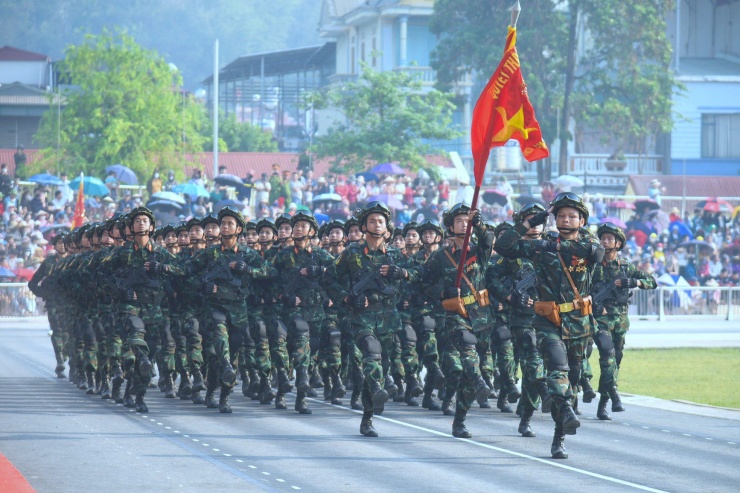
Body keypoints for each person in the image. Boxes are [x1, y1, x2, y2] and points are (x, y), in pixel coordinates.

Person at [496, 192, 605, 459]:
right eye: (560, 216)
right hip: (548, 321)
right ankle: (565, 411)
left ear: (581, 220)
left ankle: (559, 437)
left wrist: (555, 247)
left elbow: (596, 253)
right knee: (557, 368)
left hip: (579, 323)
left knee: (574, 380)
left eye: (572, 216)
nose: (566, 220)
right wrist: (529, 223)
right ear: (553, 219)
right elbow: (504, 246)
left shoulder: (587, 242)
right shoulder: (540, 243)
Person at [324, 201, 419, 437]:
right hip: (361, 316)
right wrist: (346, 299)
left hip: (389, 316)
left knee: (381, 363)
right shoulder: (352, 254)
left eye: (381, 221)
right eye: (372, 221)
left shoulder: (396, 254)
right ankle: (377, 387)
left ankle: (367, 418)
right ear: (364, 226)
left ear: (387, 227)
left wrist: (403, 273)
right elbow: (328, 279)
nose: (377, 225)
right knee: (371, 351)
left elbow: (420, 275)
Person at [588, 222, 656, 420]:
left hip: (620, 321)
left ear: (618, 243)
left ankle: (603, 403)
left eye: (610, 238)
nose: (605, 241)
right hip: (600, 319)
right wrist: (593, 306)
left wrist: (634, 282)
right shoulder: (593, 266)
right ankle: (614, 394)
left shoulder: (626, 266)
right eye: (603, 238)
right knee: (607, 355)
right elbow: (580, 290)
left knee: (614, 361)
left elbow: (652, 281)